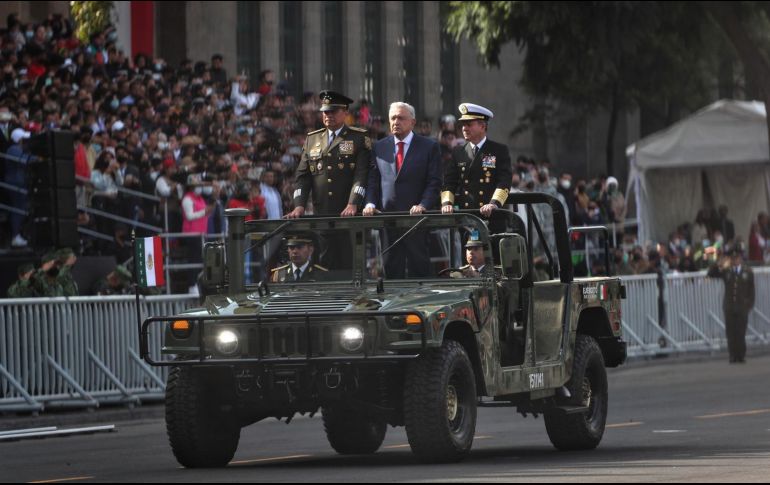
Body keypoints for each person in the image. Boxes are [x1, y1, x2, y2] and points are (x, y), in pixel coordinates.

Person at [363, 101, 442, 279]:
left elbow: (434, 182)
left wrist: (423, 204)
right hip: (388, 220)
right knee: (391, 270)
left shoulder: (429, 147)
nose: (396, 122)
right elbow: (373, 180)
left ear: (413, 122)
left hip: (416, 220)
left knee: (419, 269)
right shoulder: (379, 147)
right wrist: (370, 203)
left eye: (401, 118)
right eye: (392, 118)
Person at [287, 90, 371, 218]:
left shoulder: (358, 138)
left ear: (345, 112)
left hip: (350, 214)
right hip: (321, 213)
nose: (329, 115)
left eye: (334, 111)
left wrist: (353, 203)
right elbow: (302, 177)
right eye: (326, 112)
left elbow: (361, 175)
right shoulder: (312, 139)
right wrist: (299, 206)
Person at [441, 103, 511, 220]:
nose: (464, 128)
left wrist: (494, 203)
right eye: (463, 125)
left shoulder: (498, 150)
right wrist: (447, 203)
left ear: (483, 126)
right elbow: (449, 182)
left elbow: (504, 181)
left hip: (492, 216)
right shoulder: (458, 152)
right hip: (467, 217)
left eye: (469, 124)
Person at [707, 247, 755, 363]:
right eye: (733, 259)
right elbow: (711, 274)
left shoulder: (747, 272)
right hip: (729, 306)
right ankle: (732, 355)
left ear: (741, 259)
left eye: (737, 258)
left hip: (742, 306)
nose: (735, 261)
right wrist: (719, 262)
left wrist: (749, 305)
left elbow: (751, 290)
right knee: (731, 332)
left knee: (740, 332)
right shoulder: (727, 271)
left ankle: (741, 355)